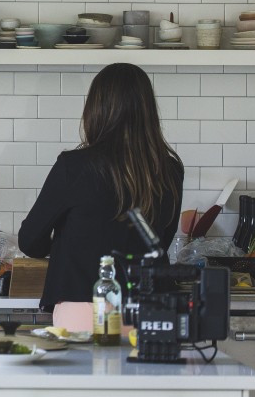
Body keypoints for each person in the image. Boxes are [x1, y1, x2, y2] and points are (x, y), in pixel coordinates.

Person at [18, 62, 183, 326]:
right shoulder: (170, 169)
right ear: (149, 111)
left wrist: (66, 243)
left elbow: (29, 241)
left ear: (95, 109)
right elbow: (161, 241)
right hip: (149, 310)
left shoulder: (74, 166)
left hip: (84, 309)